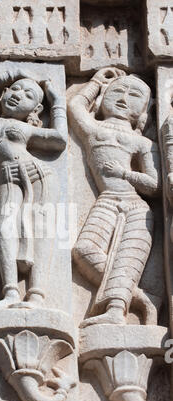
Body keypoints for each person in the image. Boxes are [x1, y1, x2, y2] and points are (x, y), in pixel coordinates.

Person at [68, 67, 160, 327]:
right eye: (118, 91)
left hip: (135, 207)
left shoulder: (142, 144)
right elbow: (75, 106)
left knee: (126, 257)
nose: (123, 98)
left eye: (134, 96)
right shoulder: (94, 131)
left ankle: (116, 310)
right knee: (84, 250)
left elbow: (153, 186)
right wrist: (97, 82)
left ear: (143, 111)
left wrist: (125, 173)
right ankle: (141, 297)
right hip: (107, 200)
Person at [0, 69, 67, 310]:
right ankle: (11, 293)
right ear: (3, 93)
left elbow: (59, 139)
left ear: (35, 110)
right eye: (15, 89)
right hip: (7, 175)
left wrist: (57, 103)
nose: (18, 95)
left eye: (28, 95)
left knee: (41, 229)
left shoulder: (26, 128)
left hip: (38, 174)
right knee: (2, 228)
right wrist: (14, 72)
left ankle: (36, 295)